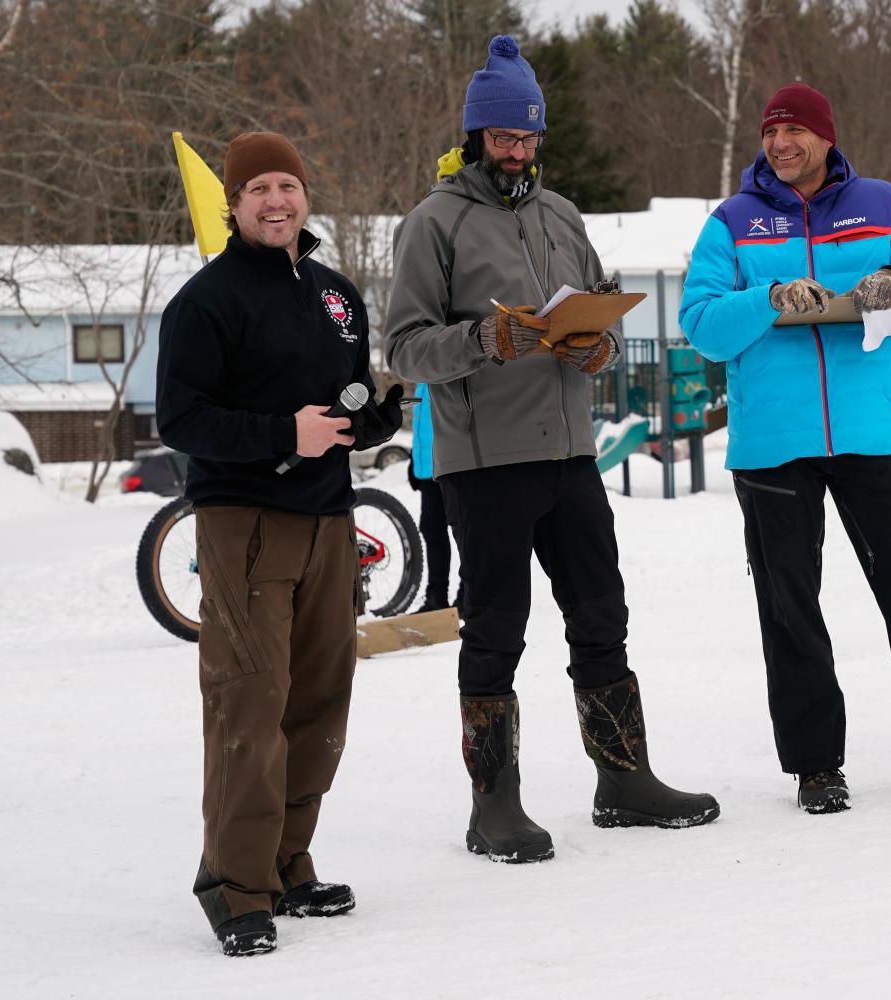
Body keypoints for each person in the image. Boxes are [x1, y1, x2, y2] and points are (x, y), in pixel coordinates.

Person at [384, 35, 718, 864]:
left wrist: (594, 348)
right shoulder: (434, 222)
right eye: (506, 139)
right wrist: (484, 340)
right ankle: (493, 806)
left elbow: (597, 309)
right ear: (476, 138)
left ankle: (624, 779)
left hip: (571, 454)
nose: (520, 153)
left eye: (531, 139)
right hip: (485, 461)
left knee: (602, 615)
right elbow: (405, 349)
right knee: (496, 628)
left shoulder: (561, 214)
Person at [679, 83, 891, 813]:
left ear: (826, 138)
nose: (782, 144)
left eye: (796, 132)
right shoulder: (731, 222)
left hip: (873, 433)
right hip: (772, 445)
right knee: (791, 608)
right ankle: (816, 768)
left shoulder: (882, 203)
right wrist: (770, 298)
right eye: (773, 133)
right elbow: (702, 323)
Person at [156, 132, 404, 956]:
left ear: (305, 196)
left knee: (319, 700)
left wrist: (374, 413)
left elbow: (344, 396)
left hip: (328, 516)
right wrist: (280, 433)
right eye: (257, 187)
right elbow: (181, 420)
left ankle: (289, 861)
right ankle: (234, 884)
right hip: (245, 520)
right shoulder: (208, 300)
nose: (275, 200)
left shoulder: (335, 294)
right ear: (233, 203)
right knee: (249, 702)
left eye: (287, 185)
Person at [407, 381, 461, 614]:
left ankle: (469, 595)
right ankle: (436, 596)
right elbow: (422, 424)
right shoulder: (422, 378)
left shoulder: (449, 369)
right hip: (429, 469)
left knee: (465, 533)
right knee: (432, 530)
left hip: (455, 466)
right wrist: (414, 461)